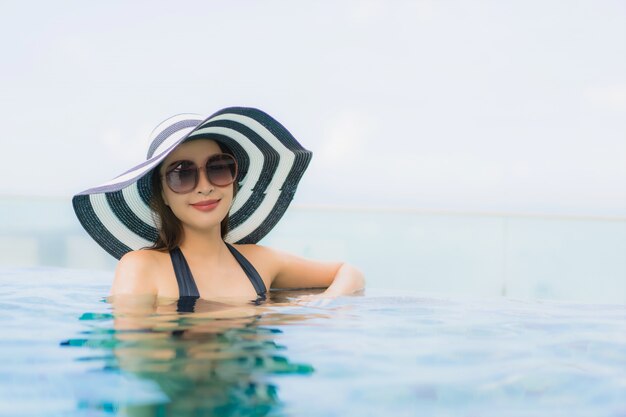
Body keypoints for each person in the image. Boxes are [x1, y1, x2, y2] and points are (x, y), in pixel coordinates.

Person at [72, 106, 364, 306]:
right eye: (182, 174)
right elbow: (134, 365)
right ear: (162, 193)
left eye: (218, 168)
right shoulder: (141, 267)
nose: (205, 186)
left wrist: (327, 305)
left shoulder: (261, 262)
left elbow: (349, 272)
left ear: (234, 180)